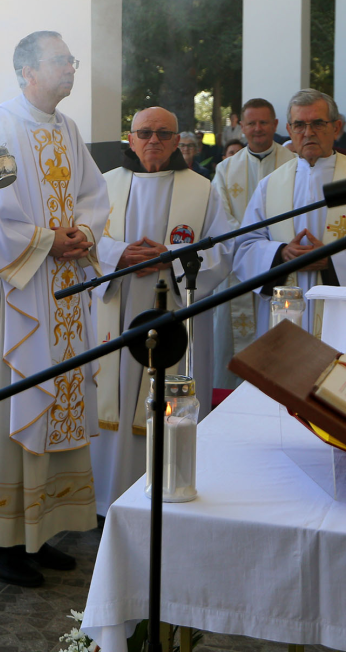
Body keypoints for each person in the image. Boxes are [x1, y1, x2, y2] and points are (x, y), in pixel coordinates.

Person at [0, 31, 107, 589]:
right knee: (6, 413)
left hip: (58, 293)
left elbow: (92, 194)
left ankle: (37, 533)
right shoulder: (0, 131)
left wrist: (82, 231)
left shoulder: (67, 129)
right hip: (13, 300)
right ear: (27, 72)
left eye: (71, 60)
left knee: (57, 402)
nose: (70, 69)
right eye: (61, 61)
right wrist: (45, 240)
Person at [90, 106, 233, 515]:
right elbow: (85, 241)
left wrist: (172, 258)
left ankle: (171, 490)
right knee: (114, 399)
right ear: (130, 139)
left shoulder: (204, 190)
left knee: (169, 397)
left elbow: (225, 248)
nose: (154, 141)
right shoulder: (102, 186)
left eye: (164, 134)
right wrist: (120, 254)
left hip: (177, 312)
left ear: (177, 142)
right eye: (145, 133)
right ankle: (106, 500)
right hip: (116, 312)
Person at [235, 89, 346, 338]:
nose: (308, 132)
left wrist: (332, 260)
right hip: (284, 308)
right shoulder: (270, 185)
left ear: (337, 127)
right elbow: (244, 247)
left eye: (318, 123)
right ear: (289, 129)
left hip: (340, 311)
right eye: (299, 125)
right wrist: (281, 253)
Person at [210, 98, 295, 388]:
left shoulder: (293, 164)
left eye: (263, 122)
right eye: (251, 123)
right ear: (241, 127)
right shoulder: (225, 170)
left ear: (275, 125)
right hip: (236, 270)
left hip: (281, 269)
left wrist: (271, 249)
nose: (257, 129)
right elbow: (221, 219)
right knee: (229, 350)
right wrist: (254, 244)